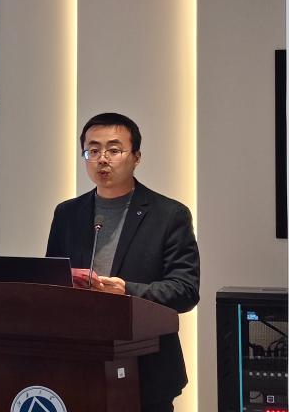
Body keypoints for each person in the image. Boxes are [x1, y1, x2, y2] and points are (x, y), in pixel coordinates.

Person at [46, 112, 200, 412]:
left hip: (145, 368)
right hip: (78, 364)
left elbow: (184, 291)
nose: (102, 159)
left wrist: (127, 290)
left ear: (136, 157)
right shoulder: (67, 213)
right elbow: (53, 281)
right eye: (93, 150)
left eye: (114, 150)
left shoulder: (169, 215)